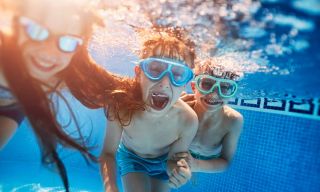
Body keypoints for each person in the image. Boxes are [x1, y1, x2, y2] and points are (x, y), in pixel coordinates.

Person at [0, 0, 108, 190]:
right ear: (15, 23)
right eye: (37, 30)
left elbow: (109, 85)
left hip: (12, 107)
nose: (50, 51)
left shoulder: (66, 69)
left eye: (68, 41)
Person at [98, 30, 199, 192]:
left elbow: (174, 159)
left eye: (178, 74)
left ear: (185, 83)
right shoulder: (120, 105)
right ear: (139, 73)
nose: (165, 82)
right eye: (155, 69)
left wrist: (179, 170)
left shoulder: (188, 120)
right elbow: (108, 153)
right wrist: (110, 188)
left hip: (164, 162)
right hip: (132, 158)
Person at [179, 58, 243, 173]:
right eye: (207, 84)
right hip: (182, 153)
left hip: (209, 159)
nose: (213, 95)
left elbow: (225, 161)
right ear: (194, 87)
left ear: (231, 94)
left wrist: (196, 165)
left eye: (224, 87)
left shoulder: (233, 120)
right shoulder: (182, 108)